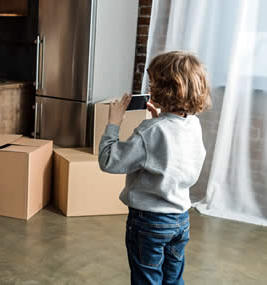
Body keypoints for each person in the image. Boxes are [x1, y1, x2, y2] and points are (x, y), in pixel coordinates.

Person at [98, 51, 211, 284]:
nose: (150, 87)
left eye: (153, 82)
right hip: (180, 220)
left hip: (149, 222)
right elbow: (175, 152)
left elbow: (109, 160)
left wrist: (113, 123)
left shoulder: (151, 131)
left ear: (164, 89)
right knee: (173, 278)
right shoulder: (193, 125)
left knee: (147, 279)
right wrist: (160, 117)